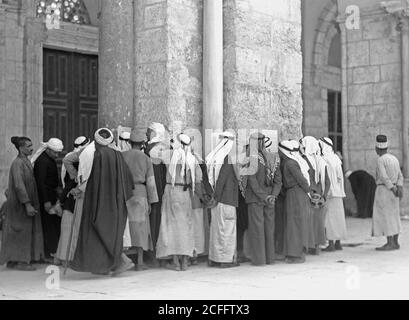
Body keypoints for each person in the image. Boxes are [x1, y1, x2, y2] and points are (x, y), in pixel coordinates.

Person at [70, 128, 135, 275]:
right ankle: (108, 265)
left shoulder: (98, 154)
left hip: (100, 202)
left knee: (98, 231)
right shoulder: (118, 155)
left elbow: (95, 180)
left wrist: (81, 190)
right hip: (117, 202)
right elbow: (128, 179)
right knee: (112, 233)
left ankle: (120, 262)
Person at [156, 133, 201, 271]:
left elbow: (156, 154)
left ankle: (175, 262)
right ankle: (185, 261)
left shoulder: (170, 155)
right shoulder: (192, 158)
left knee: (172, 227)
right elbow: (198, 177)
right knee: (186, 226)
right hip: (185, 193)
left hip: (171, 190)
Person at [0, 137, 44, 271]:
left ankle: (14, 260)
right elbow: (19, 186)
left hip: (21, 204)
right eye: (29, 146)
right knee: (21, 232)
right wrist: (27, 204)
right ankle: (21, 261)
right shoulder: (17, 163)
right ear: (21, 148)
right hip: (19, 206)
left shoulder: (25, 162)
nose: (31, 148)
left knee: (19, 231)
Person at [122, 127, 159, 271]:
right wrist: (152, 200)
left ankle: (124, 258)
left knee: (126, 226)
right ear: (142, 143)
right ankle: (140, 261)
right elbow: (150, 182)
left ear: (130, 142)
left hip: (125, 193)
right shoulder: (146, 158)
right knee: (141, 227)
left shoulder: (122, 155)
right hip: (141, 193)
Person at [244, 133, 282, 266]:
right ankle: (270, 258)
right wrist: (273, 196)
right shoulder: (273, 158)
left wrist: (263, 196)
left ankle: (259, 260)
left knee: (257, 230)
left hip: (256, 199)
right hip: (270, 198)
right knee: (269, 229)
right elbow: (278, 181)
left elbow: (252, 182)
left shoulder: (251, 158)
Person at [54, 136, 90, 264]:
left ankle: (60, 258)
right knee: (70, 231)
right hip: (73, 200)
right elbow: (69, 184)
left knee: (67, 231)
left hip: (68, 198)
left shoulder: (73, 159)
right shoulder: (80, 160)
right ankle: (66, 259)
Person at [206, 132, 239, 268]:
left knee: (217, 231)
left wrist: (213, 197)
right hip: (226, 200)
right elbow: (221, 180)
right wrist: (216, 197)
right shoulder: (227, 159)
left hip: (218, 201)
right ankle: (225, 260)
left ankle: (214, 258)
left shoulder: (213, 158)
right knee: (227, 231)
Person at [279, 140, 312, 264]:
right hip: (294, 194)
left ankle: (296, 254)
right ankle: (294, 252)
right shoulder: (291, 162)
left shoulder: (290, 163)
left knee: (295, 224)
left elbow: (302, 180)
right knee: (294, 223)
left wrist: (308, 191)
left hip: (295, 194)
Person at [32, 138, 64, 263]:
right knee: (49, 226)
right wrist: (46, 201)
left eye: (58, 153)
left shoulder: (49, 159)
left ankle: (53, 251)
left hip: (51, 197)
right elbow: (41, 183)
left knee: (53, 225)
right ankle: (49, 253)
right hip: (46, 199)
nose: (57, 155)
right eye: (55, 152)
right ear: (48, 150)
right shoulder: (43, 161)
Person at [372, 135, 404, 251]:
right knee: (394, 216)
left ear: (377, 148)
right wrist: (399, 187)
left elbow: (384, 177)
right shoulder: (394, 158)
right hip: (394, 190)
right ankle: (396, 242)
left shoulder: (381, 159)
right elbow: (400, 175)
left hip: (385, 190)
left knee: (386, 216)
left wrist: (392, 188)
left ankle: (390, 243)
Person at [300, 136, 331, 255]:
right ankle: (317, 247)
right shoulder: (322, 161)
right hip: (320, 194)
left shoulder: (304, 160)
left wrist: (311, 193)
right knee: (318, 223)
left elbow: (307, 179)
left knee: (309, 222)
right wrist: (324, 196)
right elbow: (327, 181)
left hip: (310, 194)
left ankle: (308, 247)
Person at [145, 122, 170, 266]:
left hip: (157, 191)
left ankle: (155, 255)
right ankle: (156, 255)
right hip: (159, 191)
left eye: (149, 131)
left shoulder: (155, 149)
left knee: (156, 222)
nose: (147, 134)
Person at [319, 137, 347, 252]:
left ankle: (331, 244)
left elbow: (326, 178)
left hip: (330, 193)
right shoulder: (336, 158)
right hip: (338, 192)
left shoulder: (325, 159)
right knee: (339, 218)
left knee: (329, 219)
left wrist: (325, 192)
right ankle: (338, 243)